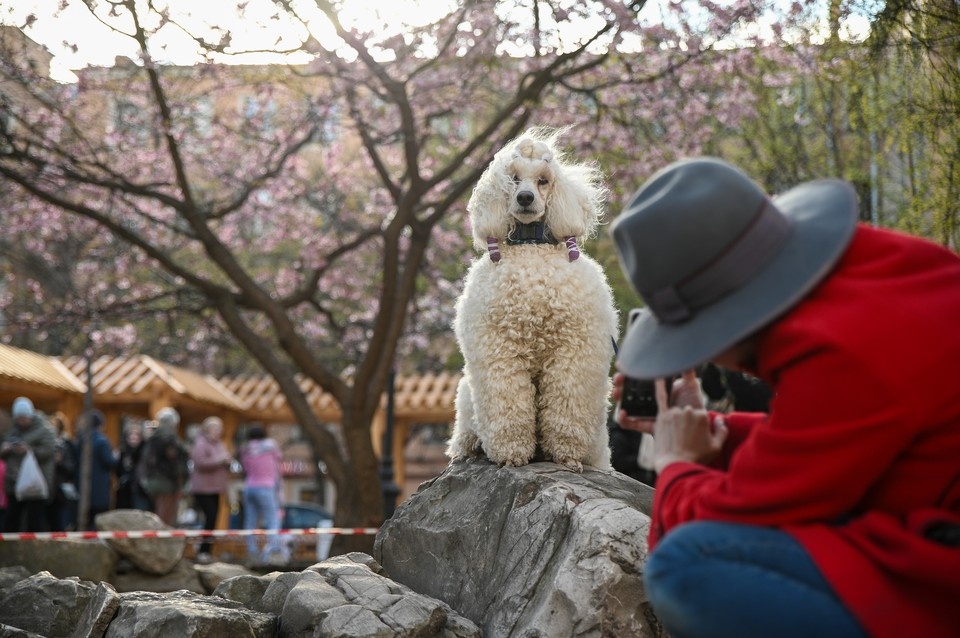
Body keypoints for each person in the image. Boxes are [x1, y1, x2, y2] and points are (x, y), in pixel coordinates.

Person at [610, 157, 960, 638]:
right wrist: (712, 428)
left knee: (686, 564)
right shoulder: (879, 264)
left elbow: (736, 514)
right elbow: (832, 438)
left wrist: (675, 467)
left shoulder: (839, 352)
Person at [1, 397, 57, 532]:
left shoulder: (44, 430)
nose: (21, 421)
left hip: (36, 483)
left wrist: (29, 450)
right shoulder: (13, 430)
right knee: (12, 518)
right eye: (18, 418)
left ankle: (34, 549)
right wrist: (5, 449)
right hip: (14, 482)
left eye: (23, 418)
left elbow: (49, 451)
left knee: (35, 520)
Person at [239, 424, 284, 565]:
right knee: (272, 519)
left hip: (249, 487)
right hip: (266, 486)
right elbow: (279, 460)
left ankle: (252, 551)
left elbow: (245, 468)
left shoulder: (245, 449)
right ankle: (273, 550)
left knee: (250, 521)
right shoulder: (271, 447)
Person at [137, 407, 189, 526]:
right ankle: (159, 543)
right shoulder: (168, 439)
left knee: (157, 516)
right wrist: (180, 481)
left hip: (153, 482)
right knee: (164, 520)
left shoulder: (153, 438)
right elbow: (175, 463)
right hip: (166, 484)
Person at [189, 416, 231, 564]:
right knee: (209, 517)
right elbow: (200, 462)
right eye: (216, 428)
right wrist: (219, 460)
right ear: (208, 429)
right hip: (202, 488)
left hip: (216, 488)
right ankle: (202, 550)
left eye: (220, 429)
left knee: (214, 519)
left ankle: (208, 550)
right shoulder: (201, 443)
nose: (218, 432)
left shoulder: (219, 444)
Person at [74, 410, 118, 529]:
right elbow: (109, 462)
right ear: (101, 425)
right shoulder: (102, 441)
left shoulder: (80, 439)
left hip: (82, 487)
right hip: (100, 489)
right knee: (98, 520)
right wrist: (115, 456)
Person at [47, 412, 78, 531]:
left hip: (62, 491)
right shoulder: (46, 444)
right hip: (48, 489)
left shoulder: (67, 445)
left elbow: (71, 467)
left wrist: (60, 462)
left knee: (61, 522)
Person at [115, 420, 151, 511]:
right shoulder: (123, 453)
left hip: (139, 489)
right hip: (125, 491)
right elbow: (118, 470)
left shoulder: (144, 452)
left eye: (136, 436)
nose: (133, 438)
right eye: (131, 435)